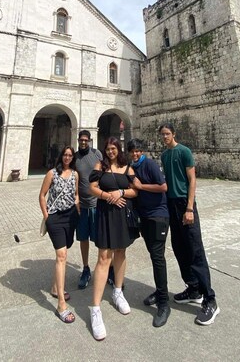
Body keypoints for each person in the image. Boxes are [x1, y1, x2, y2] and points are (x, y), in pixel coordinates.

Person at [159, 122, 220, 325]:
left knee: (195, 251)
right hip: (171, 204)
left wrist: (189, 208)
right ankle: (193, 288)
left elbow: (192, 179)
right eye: (162, 135)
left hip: (185, 204)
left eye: (167, 134)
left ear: (174, 134)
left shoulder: (184, 151)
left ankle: (210, 299)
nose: (165, 137)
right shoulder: (165, 155)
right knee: (179, 248)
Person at [88, 137, 139, 340]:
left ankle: (118, 291)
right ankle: (95, 308)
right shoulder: (100, 165)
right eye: (108, 149)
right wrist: (107, 196)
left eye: (113, 148)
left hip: (122, 216)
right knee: (103, 257)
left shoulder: (127, 167)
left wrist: (120, 192)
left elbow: (136, 190)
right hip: (105, 214)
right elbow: (91, 187)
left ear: (119, 149)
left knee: (121, 252)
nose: (110, 151)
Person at [127, 138, 171, 327]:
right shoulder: (132, 167)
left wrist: (141, 186)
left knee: (158, 257)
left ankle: (164, 303)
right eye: (132, 151)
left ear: (142, 151)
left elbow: (163, 187)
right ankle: (160, 292)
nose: (135, 154)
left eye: (138, 151)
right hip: (144, 217)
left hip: (158, 217)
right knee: (154, 256)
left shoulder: (150, 164)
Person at [39, 145, 79, 324]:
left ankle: (55, 288)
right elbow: (42, 195)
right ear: (61, 156)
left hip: (70, 217)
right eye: (65, 155)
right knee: (61, 255)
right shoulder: (52, 173)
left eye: (70, 155)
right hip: (55, 218)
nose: (67, 158)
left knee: (65, 251)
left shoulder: (75, 174)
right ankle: (61, 304)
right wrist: (47, 217)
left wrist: (77, 207)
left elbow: (76, 194)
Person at [74, 130, 103, 289]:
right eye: (81, 140)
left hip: (97, 204)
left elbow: (104, 173)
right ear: (78, 140)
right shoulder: (75, 158)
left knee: (100, 239)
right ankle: (85, 268)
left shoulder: (97, 154)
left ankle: (106, 268)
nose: (83, 142)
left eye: (86, 140)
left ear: (90, 140)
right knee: (83, 238)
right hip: (82, 206)